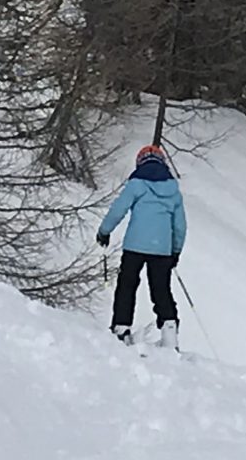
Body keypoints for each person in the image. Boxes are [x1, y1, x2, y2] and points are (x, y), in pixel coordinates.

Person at [97, 143, 187, 347]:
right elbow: (180, 226)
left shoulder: (136, 183)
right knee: (161, 289)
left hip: (135, 246)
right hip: (161, 249)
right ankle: (169, 331)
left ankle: (121, 327)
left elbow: (118, 209)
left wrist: (104, 231)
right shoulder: (173, 190)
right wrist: (175, 251)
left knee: (127, 285)